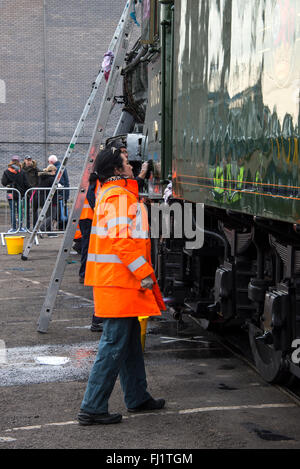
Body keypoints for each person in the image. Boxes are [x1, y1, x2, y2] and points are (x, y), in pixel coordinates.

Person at [77, 146, 166, 426]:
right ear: (116, 170)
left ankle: (138, 397)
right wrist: (144, 273)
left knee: (128, 344)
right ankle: (92, 407)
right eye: (126, 163)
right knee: (114, 343)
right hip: (120, 282)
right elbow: (121, 240)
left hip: (117, 281)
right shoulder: (117, 197)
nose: (130, 167)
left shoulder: (115, 194)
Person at [78, 171, 102, 332]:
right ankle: (83, 273)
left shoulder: (92, 177)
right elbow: (92, 196)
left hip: (87, 216)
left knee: (87, 247)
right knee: (87, 247)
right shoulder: (95, 179)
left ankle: (83, 273)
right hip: (88, 216)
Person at [1, 155, 30, 232]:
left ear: (11, 161)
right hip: (20, 193)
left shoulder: (7, 171)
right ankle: (20, 227)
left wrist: (9, 184)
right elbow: (26, 183)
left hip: (10, 193)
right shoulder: (22, 172)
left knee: (12, 210)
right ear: (19, 162)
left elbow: (3, 183)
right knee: (20, 210)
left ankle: (13, 228)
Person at [37, 164, 59, 236]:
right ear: (52, 171)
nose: (55, 172)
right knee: (52, 216)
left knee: (48, 215)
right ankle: (41, 228)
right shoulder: (51, 179)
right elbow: (54, 189)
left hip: (43, 199)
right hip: (51, 199)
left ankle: (50, 232)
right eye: (55, 171)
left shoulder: (42, 178)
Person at [22, 155, 41, 228]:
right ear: (25, 160)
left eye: (30, 160)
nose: (28, 161)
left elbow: (39, 178)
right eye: (27, 160)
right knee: (26, 209)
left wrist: (37, 187)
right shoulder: (22, 169)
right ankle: (27, 226)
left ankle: (35, 226)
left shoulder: (35, 169)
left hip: (34, 191)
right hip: (25, 191)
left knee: (34, 210)